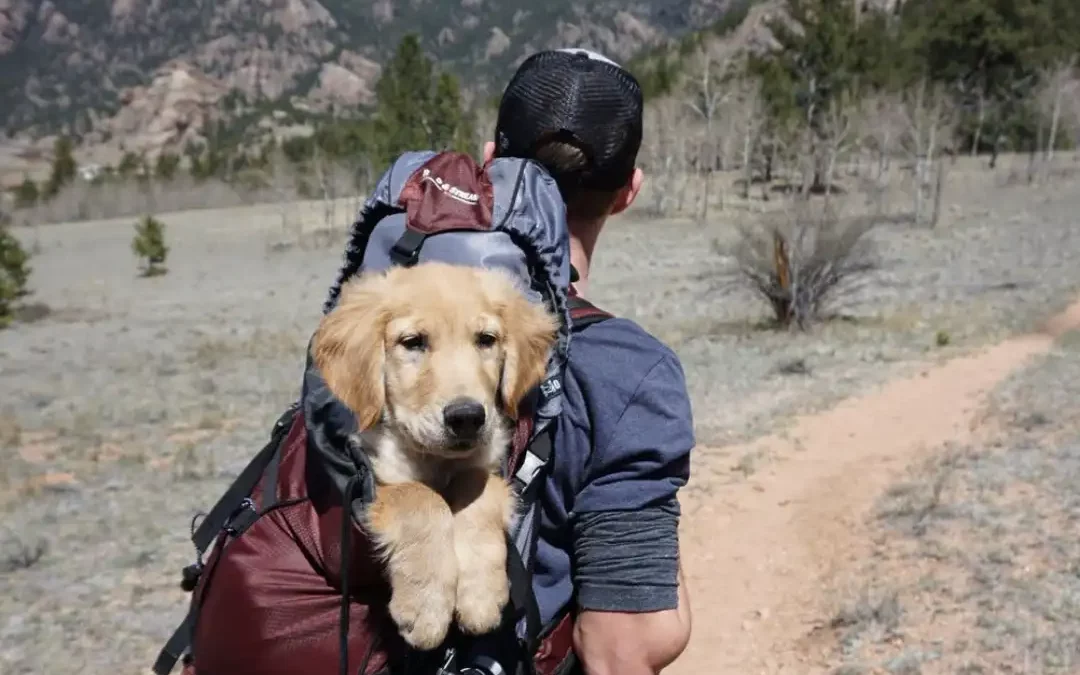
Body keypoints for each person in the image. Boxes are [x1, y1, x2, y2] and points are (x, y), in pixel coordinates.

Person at [485, 48, 695, 675]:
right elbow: (618, 653)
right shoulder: (629, 374)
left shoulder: (386, 308)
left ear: (490, 165)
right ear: (629, 191)